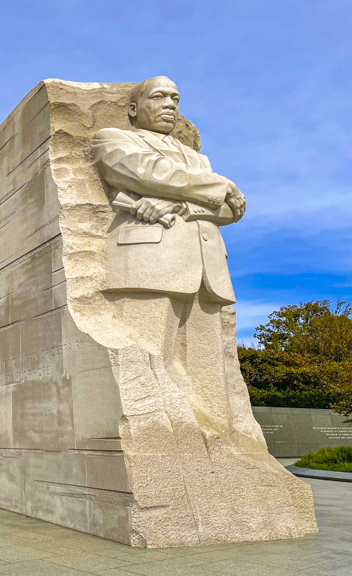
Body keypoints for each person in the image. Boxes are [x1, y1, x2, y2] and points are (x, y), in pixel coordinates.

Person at [93, 76, 249, 437]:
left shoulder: (198, 159)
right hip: (150, 261)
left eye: (175, 98)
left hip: (207, 269)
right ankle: (160, 439)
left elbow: (229, 211)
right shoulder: (115, 138)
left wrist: (179, 203)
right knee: (146, 359)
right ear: (133, 109)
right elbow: (142, 171)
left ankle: (216, 442)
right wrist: (218, 185)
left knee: (210, 372)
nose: (170, 104)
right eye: (159, 96)